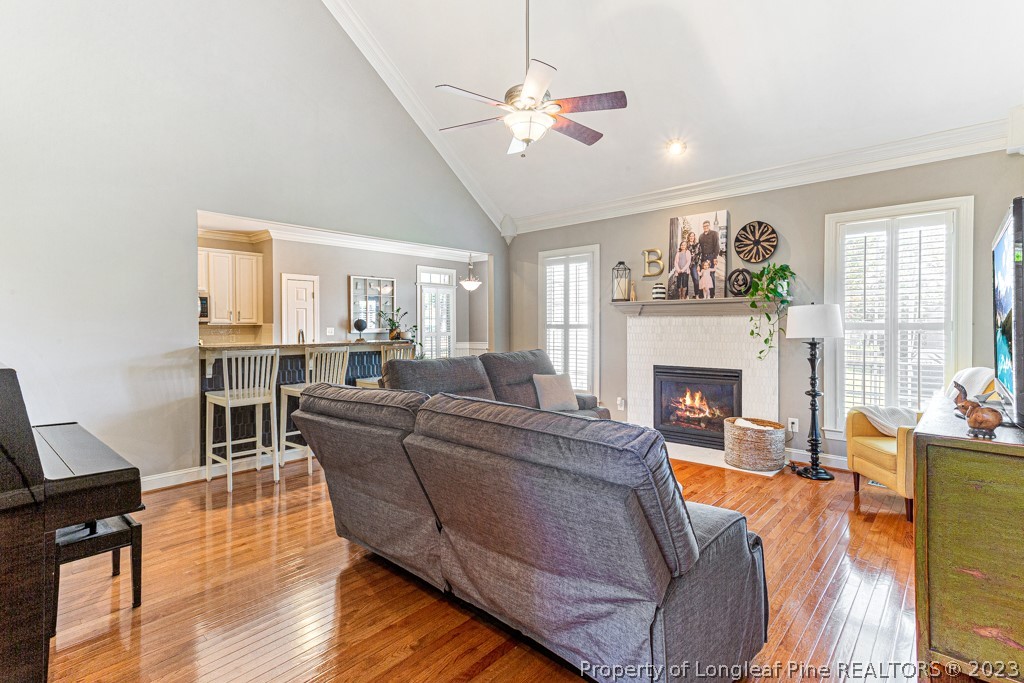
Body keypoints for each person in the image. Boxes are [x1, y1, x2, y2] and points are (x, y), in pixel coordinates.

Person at [697, 219, 720, 298]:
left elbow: (717, 246)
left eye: (707, 226)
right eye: (704, 226)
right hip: (703, 257)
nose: (705, 227)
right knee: (702, 275)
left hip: (711, 256)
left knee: (711, 275)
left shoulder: (714, 234)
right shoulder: (701, 236)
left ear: (709, 226)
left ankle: (712, 294)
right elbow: (699, 248)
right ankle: (702, 294)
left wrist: (715, 257)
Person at [686, 232, 700, 299]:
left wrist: (699, 265)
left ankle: (697, 294)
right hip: (686, 264)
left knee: (696, 279)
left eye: (693, 236)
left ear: (694, 237)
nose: (691, 237)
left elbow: (700, 254)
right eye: (690, 236)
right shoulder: (685, 245)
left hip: (694, 264)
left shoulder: (697, 244)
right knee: (686, 280)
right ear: (688, 237)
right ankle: (686, 295)